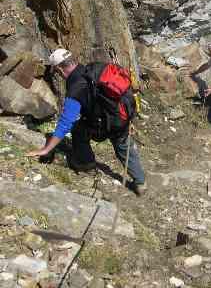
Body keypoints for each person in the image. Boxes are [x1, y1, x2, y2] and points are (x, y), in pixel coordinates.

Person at [26, 49, 147, 196]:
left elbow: (65, 123)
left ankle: (86, 164)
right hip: (121, 116)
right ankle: (140, 183)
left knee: (78, 129)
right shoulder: (93, 69)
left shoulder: (76, 87)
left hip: (104, 122)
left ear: (59, 68)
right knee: (123, 146)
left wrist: (46, 149)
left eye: (57, 71)